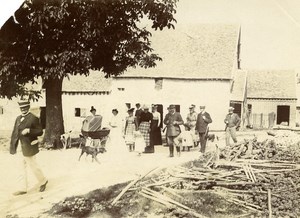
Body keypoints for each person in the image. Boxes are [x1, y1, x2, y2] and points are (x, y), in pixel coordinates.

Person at [10, 99, 48, 195]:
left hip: (29, 145)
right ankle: (22, 188)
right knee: (20, 167)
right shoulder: (18, 118)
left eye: (25, 107)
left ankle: (43, 181)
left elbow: (40, 131)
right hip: (20, 146)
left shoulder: (33, 118)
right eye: (21, 108)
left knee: (33, 165)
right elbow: (15, 132)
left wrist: (29, 130)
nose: (23, 109)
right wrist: (13, 145)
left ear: (28, 107)